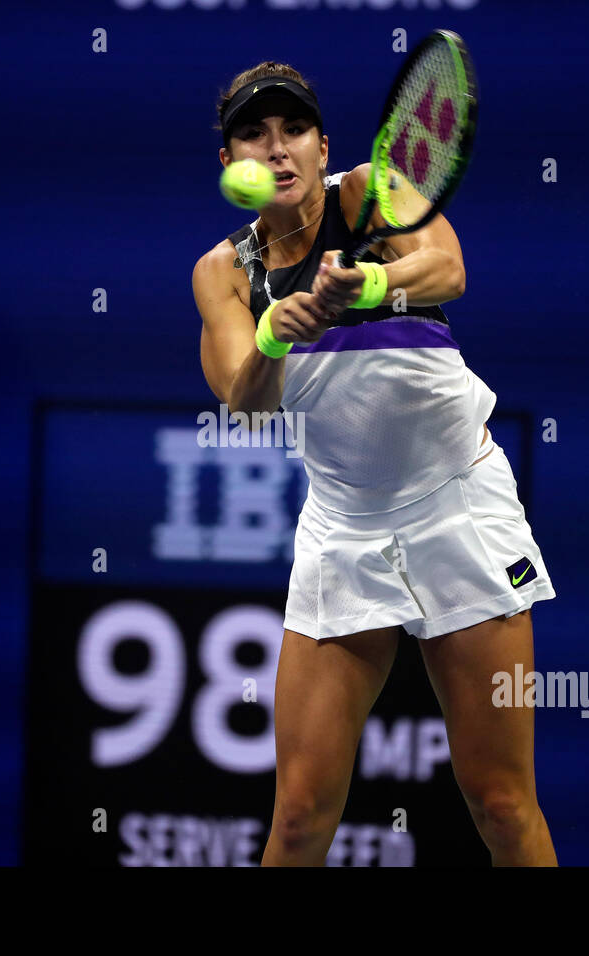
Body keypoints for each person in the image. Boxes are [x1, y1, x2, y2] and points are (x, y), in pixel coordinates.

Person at [192, 63, 558, 866]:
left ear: (325, 147)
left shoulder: (374, 194)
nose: (277, 149)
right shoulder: (224, 273)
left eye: (294, 131)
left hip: (458, 504)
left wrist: (367, 286)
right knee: (297, 818)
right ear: (231, 167)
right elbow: (245, 403)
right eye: (254, 135)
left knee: (500, 803)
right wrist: (276, 333)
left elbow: (449, 270)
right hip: (343, 529)